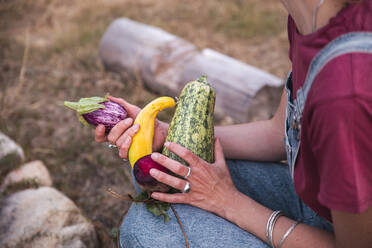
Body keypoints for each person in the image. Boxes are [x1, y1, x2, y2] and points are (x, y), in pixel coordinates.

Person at [95, 0, 372, 247]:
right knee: (160, 169)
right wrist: (169, 135)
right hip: (325, 204)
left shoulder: (345, 91)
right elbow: (278, 133)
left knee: (146, 233)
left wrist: (228, 202)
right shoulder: (313, 17)